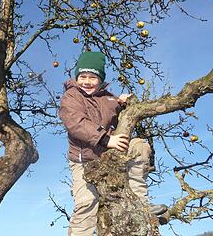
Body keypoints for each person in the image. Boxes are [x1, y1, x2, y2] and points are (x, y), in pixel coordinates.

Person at [59, 51, 167, 236]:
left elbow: (120, 112)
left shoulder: (108, 98)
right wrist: (107, 139)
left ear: (100, 79)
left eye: (92, 77)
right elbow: (76, 123)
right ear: (76, 78)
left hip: (109, 153)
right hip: (84, 159)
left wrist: (125, 103)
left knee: (139, 145)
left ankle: (141, 203)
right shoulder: (71, 96)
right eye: (82, 76)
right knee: (86, 202)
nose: (86, 81)